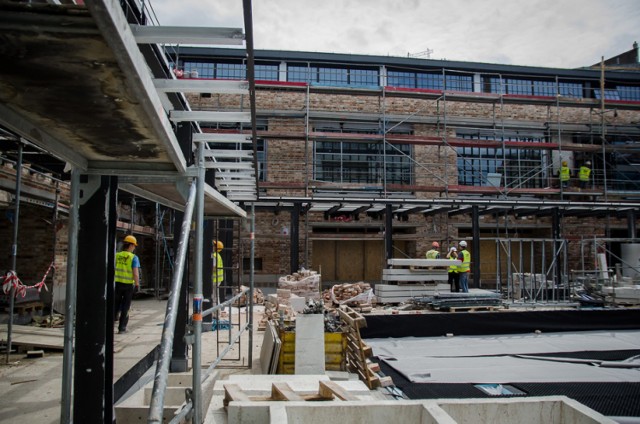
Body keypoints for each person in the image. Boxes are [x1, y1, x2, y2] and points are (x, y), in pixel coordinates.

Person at [114, 234, 140, 334]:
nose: (134, 248)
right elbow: (135, 273)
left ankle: (109, 325)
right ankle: (122, 328)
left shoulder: (117, 255)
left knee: (115, 305)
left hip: (117, 284)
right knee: (125, 307)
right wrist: (137, 285)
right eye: (134, 246)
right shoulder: (133, 257)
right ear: (131, 245)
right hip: (128, 286)